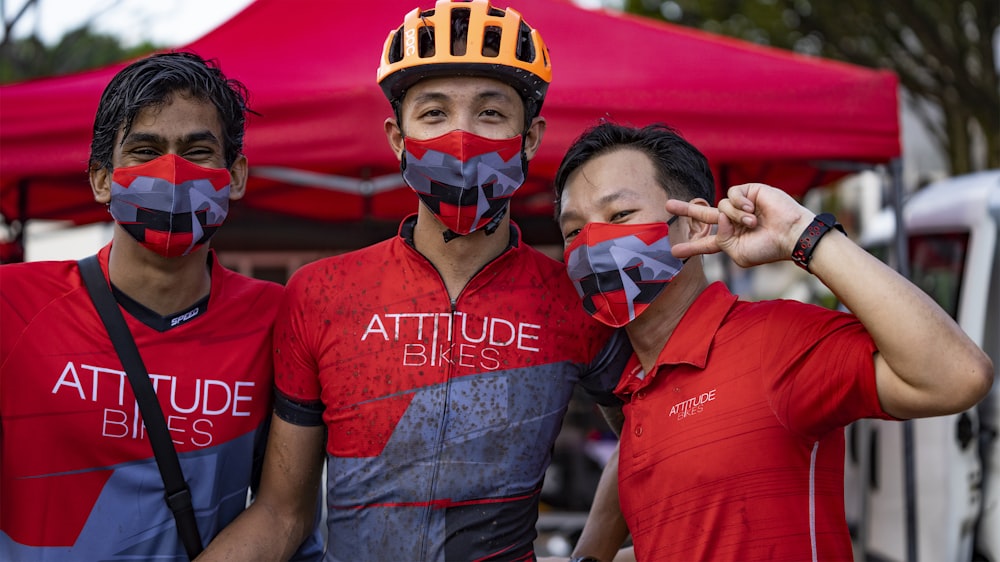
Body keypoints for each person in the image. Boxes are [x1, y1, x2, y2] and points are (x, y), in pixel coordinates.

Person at [196, 2, 627, 561]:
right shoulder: (321, 293)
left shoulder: (573, 296)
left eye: (491, 113)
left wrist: (591, 554)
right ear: (397, 139)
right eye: (433, 113)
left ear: (531, 138)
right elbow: (284, 510)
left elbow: (647, 438)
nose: (461, 136)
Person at [552, 122, 994, 562]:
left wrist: (802, 235)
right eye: (573, 232)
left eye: (619, 215)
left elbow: (958, 377)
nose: (591, 244)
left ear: (693, 225)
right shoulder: (632, 385)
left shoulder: (772, 342)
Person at [0, 52, 321, 561]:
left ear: (235, 176)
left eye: (197, 151)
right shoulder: (12, 304)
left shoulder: (280, 317)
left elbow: (287, 511)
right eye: (144, 150)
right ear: (101, 179)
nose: (171, 171)